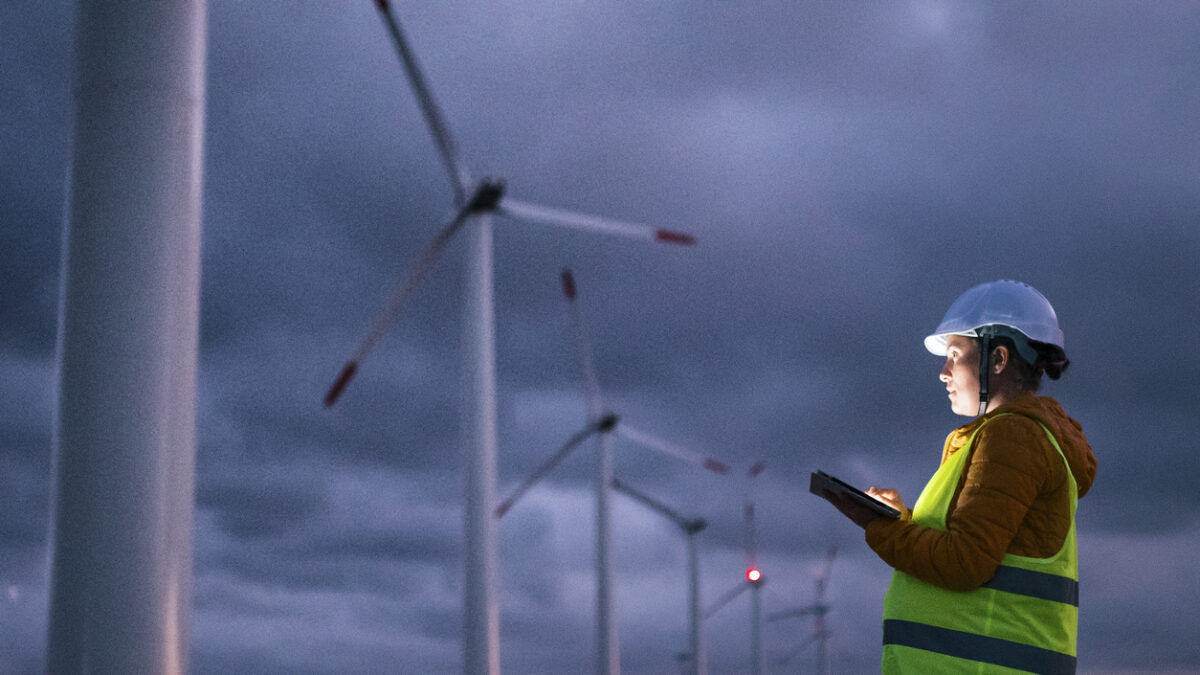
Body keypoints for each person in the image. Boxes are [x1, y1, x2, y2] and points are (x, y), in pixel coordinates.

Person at [821, 280, 1097, 674]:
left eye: (954, 355)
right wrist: (903, 520)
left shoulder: (1013, 436)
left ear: (998, 359)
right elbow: (976, 546)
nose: (944, 372)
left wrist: (878, 527)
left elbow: (964, 562)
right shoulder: (1007, 437)